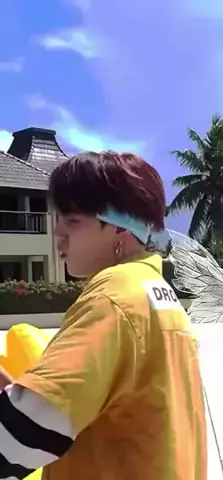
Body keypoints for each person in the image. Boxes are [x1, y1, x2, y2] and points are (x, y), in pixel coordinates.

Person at [0, 151, 207, 479]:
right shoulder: (155, 292)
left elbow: (22, 438)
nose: (58, 233)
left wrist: (21, 412)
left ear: (121, 229)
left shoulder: (113, 296)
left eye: (73, 221)